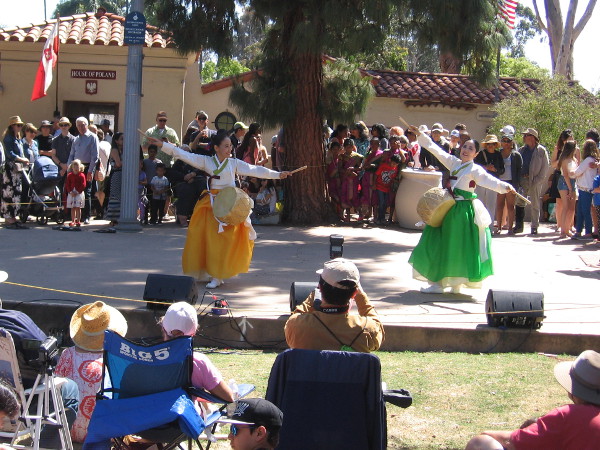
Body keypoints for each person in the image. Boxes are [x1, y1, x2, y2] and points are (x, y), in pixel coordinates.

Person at [146, 132, 292, 289]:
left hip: (229, 205)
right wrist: (163, 145)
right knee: (208, 240)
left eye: (231, 146)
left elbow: (255, 169)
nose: (230, 149)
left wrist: (278, 175)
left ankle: (218, 274)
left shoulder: (233, 163)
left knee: (225, 242)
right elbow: (182, 154)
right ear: (216, 148)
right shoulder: (205, 161)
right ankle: (212, 272)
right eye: (226, 146)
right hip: (210, 204)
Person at [407, 125, 514, 294]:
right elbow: (436, 150)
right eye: (464, 146)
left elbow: (490, 181)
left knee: (458, 246)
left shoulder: (475, 169)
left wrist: (505, 186)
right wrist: (421, 136)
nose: (466, 150)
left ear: (476, 154)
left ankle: (456, 283)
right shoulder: (454, 162)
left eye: (471, 148)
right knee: (440, 243)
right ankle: (438, 283)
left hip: (463, 212)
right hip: (448, 207)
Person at [465, 350, 600, 450]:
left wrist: (486, 433)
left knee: (480, 443)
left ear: (572, 391)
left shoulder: (569, 416)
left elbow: (512, 441)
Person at [55, 301, 128, 443]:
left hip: (69, 431)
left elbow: (56, 391)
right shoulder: (114, 359)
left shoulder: (67, 355)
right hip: (105, 434)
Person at [285, 258, 384, 352]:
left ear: (320, 287)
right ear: (354, 293)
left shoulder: (297, 326)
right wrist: (361, 296)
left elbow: (295, 316)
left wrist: (314, 294)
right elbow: (378, 329)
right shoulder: (367, 328)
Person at [160, 302, 234, 402]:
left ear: (163, 327)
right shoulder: (198, 362)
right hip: (182, 416)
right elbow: (228, 397)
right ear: (193, 332)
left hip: (148, 416)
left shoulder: (143, 359)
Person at [514, 128, 550, 235]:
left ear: (533, 137)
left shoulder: (541, 151)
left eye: (526, 135)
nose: (524, 138)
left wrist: (538, 180)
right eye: (524, 135)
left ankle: (534, 226)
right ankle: (519, 226)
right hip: (522, 180)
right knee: (520, 202)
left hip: (535, 180)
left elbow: (545, 167)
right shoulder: (521, 150)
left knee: (535, 203)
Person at [67, 117, 99, 224]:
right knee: (73, 190)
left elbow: (95, 156)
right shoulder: (76, 139)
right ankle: (73, 217)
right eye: (78, 125)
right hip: (75, 167)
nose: (81, 127)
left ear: (86, 124)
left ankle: (86, 216)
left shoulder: (92, 137)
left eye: (83, 124)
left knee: (86, 191)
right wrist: (68, 169)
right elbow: (71, 154)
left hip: (87, 167)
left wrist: (90, 171)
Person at [2, 115, 30, 229]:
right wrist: (21, 159)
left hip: (18, 169)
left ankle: (14, 216)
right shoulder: (8, 138)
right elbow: (10, 154)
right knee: (9, 193)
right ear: (12, 126)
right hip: (10, 168)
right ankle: (8, 217)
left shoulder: (18, 139)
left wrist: (24, 160)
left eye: (20, 125)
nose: (20, 127)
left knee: (17, 193)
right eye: (18, 125)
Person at [495, 132, 522, 235]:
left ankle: (510, 227)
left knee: (510, 206)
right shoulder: (498, 154)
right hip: (500, 182)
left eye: (508, 141)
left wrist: (517, 185)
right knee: (500, 205)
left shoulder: (516, 155)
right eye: (504, 141)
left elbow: (519, 170)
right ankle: (499, 227)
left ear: (512, 143)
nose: (506, 143)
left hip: (511, 182)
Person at [475, 135, 504, 227]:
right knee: (480, 204)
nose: (490, 146)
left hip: (493, 182)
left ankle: (490, 228)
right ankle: (479, 226)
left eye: (492, 144)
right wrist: (486, 167)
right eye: (488, 144)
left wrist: (495, 170)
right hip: (481, 181)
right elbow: (475, 167)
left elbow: (502, 169)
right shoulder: (480, 154)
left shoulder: (498, 155)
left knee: (491, 205)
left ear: (495, 145)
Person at [573, 139, 599, 239]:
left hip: (585, 189)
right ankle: (578, 231)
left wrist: (574, 173)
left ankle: (588, 232)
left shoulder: (588, 160)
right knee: (581, 210)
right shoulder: (595, 160)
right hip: (590, 189)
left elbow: (577, 172)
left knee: (584, 211)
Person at [556, 141, 578, 239]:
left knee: (572, 208)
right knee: (565, 206)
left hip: (573, 182)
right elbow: (565, 174)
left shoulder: (574, 159)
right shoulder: (564, 160)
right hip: (565, 182)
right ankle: (563, 231)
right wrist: (570, 188)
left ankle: (568, 228)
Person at [374, 153, 401, 225]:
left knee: (385, 203)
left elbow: (392, 177)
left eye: (395, 164)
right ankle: (379, 218)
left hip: (387, 188)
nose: (393, 165)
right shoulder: (383, 166)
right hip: (379, 187)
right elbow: (376, 174)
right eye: (393, 163)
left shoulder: (395, 169)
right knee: (381, 202)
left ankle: (382, 218)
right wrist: (374, 184)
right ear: (390, 161)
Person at [105, 132, 124, 226]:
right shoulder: (114, 150)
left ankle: (121, 217)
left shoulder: (124, 150)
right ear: (116, 141)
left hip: (124, 174)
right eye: (122, 139)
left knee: (122, 197)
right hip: (116, 175)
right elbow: (118, 164)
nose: (124, 141)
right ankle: (114, 218)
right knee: (116, 197)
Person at [65, 159, 86, 227]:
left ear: (80, 167)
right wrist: (70, 192)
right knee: (72, 207)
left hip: (78, 193)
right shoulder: (69, 175)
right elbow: (67, 184)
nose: (76, 168)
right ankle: (73, 221)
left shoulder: (82, 175)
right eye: (74, 166)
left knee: (78, 207)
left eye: (77, 166)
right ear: (72, 167)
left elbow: (83, 184)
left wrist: (78, 192)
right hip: (71, 193)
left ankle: (78, 221)